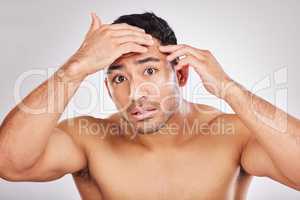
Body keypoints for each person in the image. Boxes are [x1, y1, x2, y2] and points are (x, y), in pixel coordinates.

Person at [0, 12, 299, 200]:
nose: (134, 93)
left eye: (150, 71)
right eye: (119, 78)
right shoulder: (89, 139)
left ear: (180, 74)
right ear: (107, 87)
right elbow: (9, 164)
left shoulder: (232, 134)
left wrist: (228, 88)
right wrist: (76, 68)